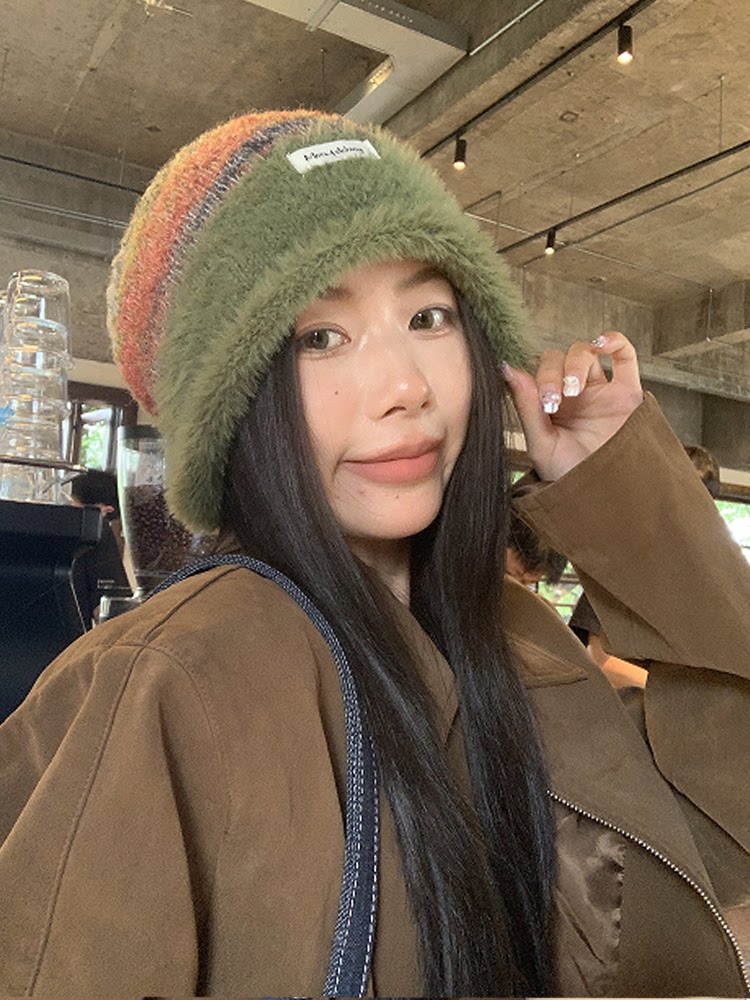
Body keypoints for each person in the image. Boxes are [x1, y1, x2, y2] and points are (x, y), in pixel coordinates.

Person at [0, 110, 748, 998]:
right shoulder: (163, 683)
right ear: (233, 404)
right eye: (321, 336)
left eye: (429, 316)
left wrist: (627, 500)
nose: (406, 386)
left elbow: (719, 864)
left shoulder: (517, 637)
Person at [569, 442, 724, 688]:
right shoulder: (620, 563)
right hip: (623, 704)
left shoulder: (706, 578)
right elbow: (600, 659)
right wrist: (673, 695)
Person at [68, 469, 132, 626]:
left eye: (71, 505)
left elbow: (111, 612)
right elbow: (113, 615)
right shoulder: (96, 534)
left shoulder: (96, 530)